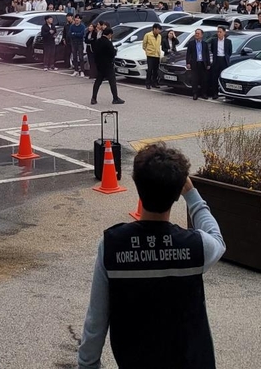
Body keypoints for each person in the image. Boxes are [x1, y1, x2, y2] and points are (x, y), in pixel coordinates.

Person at [76, 142, 224, 369]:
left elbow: (96, 319)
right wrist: (192, 195)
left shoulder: (112, 246)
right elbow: (217, 238)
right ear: (176, 195)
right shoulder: (196, 247)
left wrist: (88, 364)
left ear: (137, 186)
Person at [89, 25, 124, 106]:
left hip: (100, 65)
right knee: (112, 82)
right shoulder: (108, 43)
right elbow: (112, 53)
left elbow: (95, 53)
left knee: (98, 82)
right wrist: (115, 51)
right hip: (108, 65)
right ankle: (115, 98)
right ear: (109, 34)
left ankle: (93, 98)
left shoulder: (98, 41)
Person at [184, 29, 211, 102]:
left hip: (203, 63)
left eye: (198, 33)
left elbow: (207, 55)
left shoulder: (205, 44)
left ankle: (204, 93)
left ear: (202, 35)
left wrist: (208, 64)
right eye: (196, 33)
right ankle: (195, 93)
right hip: (195, 63)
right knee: (195, 80)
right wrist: (188, 63)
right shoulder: (191, 43)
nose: (196, 35)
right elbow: (188, 54)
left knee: (204, 80)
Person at [208, 26, 232, 100]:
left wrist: (226, 57)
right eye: (218, 32)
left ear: (224, 33)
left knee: (224, 77)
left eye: (220, 32)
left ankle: (226, 93)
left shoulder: (228, 41)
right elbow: (212, 50)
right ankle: (215, 93)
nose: (218, 33)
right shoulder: (214, 41)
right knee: (214, 77)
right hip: (216, 60)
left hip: (224, 60)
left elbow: (229, 52)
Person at [143, 23, 164, 89]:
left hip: (157, 55)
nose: (159, 31)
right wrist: (147, 51)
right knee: (150, 70)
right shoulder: (148, 35)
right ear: (154, 29)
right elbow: (144, 45)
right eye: (158, 29)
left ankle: (154, 82)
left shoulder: (159, 36)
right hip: (150, 55)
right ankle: (147, 83)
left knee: (155, 70)